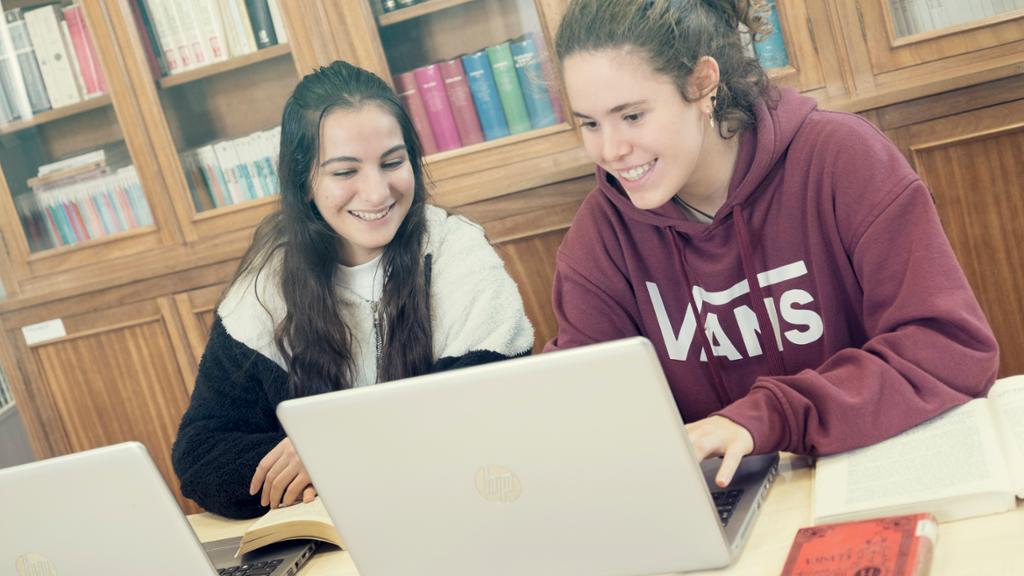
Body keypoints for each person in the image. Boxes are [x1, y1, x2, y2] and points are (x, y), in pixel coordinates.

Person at [546, 0, 999, 487]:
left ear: (702, 83)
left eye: (632, 116)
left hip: (877, 469)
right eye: (590, 124)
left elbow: (949, 348)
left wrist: (770, 416)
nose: (610, 150)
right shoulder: (601, 235)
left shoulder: (841, 160)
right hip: (728, 499)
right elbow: (586, 409)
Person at [172, 61, 534, 519]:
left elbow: (486, 415)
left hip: (465, 517)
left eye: (392, 162)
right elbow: (202, 457)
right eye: (345, 172)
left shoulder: (456, 252)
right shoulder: (266, 284)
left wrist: (328, 452)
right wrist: (353, 454)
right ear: (304, 181)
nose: (377, 192)